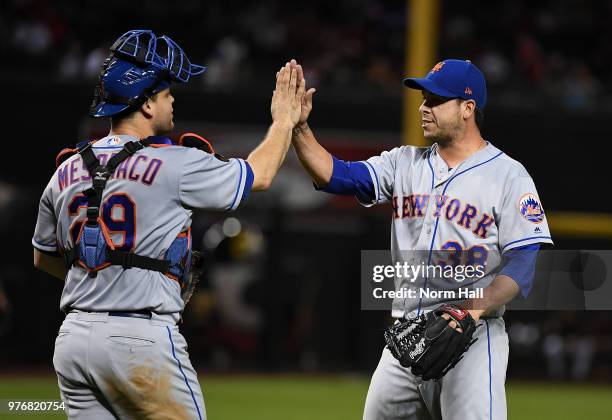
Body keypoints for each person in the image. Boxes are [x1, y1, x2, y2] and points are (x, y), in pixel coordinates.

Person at [32, 29, 304, 419]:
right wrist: (283, 122)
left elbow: (43, 259)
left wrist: (106, 285)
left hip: (73, 341)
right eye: (166, 94)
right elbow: (259, 176)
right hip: (139, 339)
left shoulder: (66, 170)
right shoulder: (174, 163)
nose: (172, 100)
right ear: (145, 104)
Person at [290, 59, 553, 419]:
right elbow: (337, 176)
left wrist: (471, 310)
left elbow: (523, 264)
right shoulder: (404, 163)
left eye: (434, 100)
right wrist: (299, 129)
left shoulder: (508, 176)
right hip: (406, 337)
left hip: (472, 338)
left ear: (467, 108)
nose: (422, 108)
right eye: (424, 98)